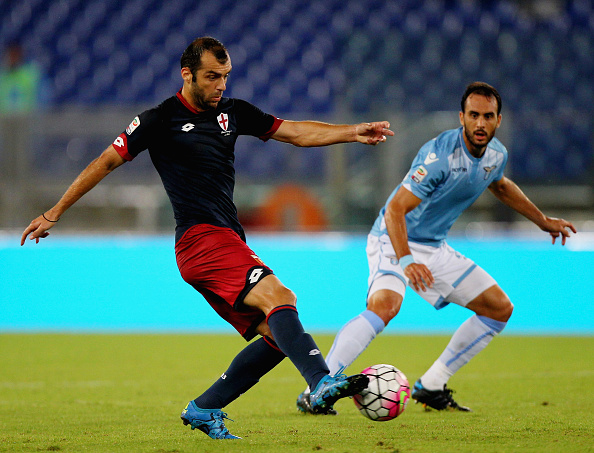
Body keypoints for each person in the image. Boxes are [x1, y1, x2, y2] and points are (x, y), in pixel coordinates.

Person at [20, 37, 393, 439]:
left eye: (225, 76)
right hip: (200, 239)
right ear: (188, 75)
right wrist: (54, 212)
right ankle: (321, 382)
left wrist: (352, 131)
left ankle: (204, 408)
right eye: (212, 76)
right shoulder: (158, 119)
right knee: (281, 297)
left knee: (278, 335)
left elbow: (295, 132)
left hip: (225, 239)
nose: (221, 85)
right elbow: (106, 161)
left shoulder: (234, 113)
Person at [296, 81, 576, 414]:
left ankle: (431, 385)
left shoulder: (496, 154)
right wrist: (407, 260)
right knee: (385, 306)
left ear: (498, 120)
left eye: (488, 116)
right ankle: (316, 389)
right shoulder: (440, 156)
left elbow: (500, 185)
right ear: (462, 117)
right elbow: (395, 209)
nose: (480, 123)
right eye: (473, 115)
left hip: (433, 246)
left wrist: (542, 220)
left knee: (499, 309)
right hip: (392, 238)